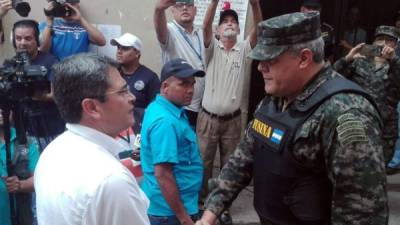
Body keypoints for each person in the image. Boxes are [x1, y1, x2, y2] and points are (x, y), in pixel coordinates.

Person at [196, 12, 388, 225]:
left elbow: (362, 214)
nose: (260, 67)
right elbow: (241, 161)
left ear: (304, 58)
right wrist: (209, 216)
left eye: (270, 59)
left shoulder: (345, 113)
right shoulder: (274, 100)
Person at [34, 53, 150, 225]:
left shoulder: (52, 152)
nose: (132, 97)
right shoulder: (112, 181)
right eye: (123, 91)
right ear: (92, 107)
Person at [197, 0, 261, 223]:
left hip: (233, 120)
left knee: (229, 164)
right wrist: (214, 2)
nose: (230, 24)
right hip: (207, 118)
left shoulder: (243, 50)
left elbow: (259, 29)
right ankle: (203, 203)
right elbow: (205, 27)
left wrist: (255, 5)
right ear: (218, 29)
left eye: (234, 21)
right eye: (225, 22)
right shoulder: (211, 47)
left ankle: (222, 207)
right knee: (203, 163)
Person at [140, 58, 204, 225]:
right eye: (183, 84)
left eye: (192, 84)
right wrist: (184, 218)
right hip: (169, 213)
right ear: (165, 87)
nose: (190, 90)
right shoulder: (165, 122)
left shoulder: (166, 109)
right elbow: (163, 174)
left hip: (172, 205)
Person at [334, 25, 400, 164]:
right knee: (350, 162)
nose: (384, 44)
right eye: (380, 39)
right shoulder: (359, 61)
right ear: (374, 42)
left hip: (385, 124)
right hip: (357, 121)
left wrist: (394, 59)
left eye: (389, 40)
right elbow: (332, 78)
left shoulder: (396, 65)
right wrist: (347, 59)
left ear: (395, 44)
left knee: (380, 164)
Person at [12, 19, 65, 151]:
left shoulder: (51, 61)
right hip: (23, 130)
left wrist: (31, 94)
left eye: (28, 38)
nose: (22, 43)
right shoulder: (12, 64)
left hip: (50, 130)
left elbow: (57, 95)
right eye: (18, 38)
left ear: (37, 40)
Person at [154, 0, 205, 127]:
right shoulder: (170, 30)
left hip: (200, 107)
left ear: (195, 10)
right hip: (178, 105)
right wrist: (159, 10)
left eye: (188, 5)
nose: (184, 8)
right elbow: (160, 30)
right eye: (179, 5)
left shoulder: (201, 33)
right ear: (172, 10)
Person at [111, 33, 160, 133]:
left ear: (137, 53)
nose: (119, 51)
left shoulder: (150, 77)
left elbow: (155, 109)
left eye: (125, 48)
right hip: (112, 127)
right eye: (118, 47)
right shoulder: (111, 73)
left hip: (137, 129)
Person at [0, 111, 40, 225]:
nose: (1, 111)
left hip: (20, 218)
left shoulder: (26, 142)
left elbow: (39, 180)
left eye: (4, 106)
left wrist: (21, 185)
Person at [39, 0, 106, 60]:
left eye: (71, 4)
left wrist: (80, 19)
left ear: (78, 6)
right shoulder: (47, 25)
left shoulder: (84, 26)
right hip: (55, 69)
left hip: (77, 70)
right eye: (65, 4)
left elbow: (102, 42)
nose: (68, 8)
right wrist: (49, 21)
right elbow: (43, 51)